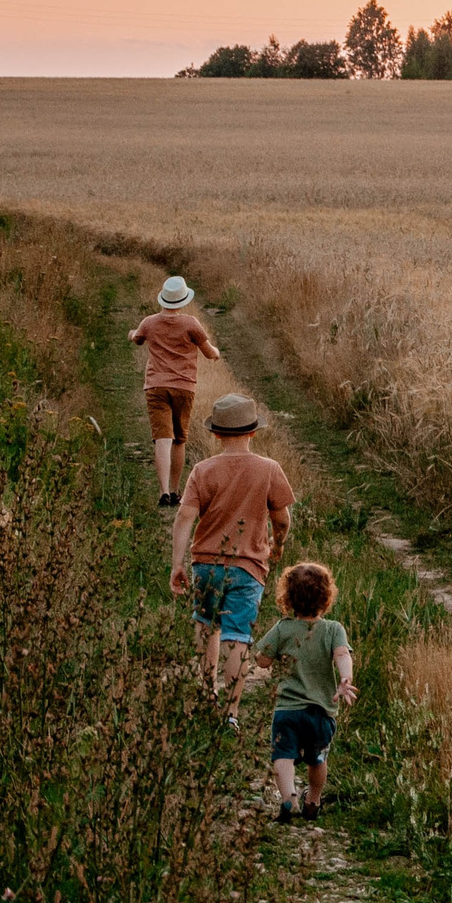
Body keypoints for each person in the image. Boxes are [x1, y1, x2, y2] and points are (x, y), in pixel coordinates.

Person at [168, 393, 293, 726]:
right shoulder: (269, 469)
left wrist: (177, 564)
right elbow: (281, 519)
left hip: (206, 564)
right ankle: (231, 713)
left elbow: (184, 518)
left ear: (217, 434)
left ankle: (208, 693)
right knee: (237, 634)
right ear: (253, 432)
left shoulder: (203, 470)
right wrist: (277, 545)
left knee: (206, 623)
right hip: (248, 567)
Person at [252, 561, 355, 823]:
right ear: (326, 597)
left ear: (287, 598)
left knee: (282, 756)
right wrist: (345, 678)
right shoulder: (333, 629)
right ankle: (313, 801)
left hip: (287, 710)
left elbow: (262, 661)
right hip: (321, 711)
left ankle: (289, 799)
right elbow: (342, 654)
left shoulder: (283, 628)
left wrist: (260, 653)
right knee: (317, 759)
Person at [128, 276, 221, 507]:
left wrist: (131, 333)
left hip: (156, 386)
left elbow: (137, 339)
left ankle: (162, 492)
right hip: (183, 386)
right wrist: (217, 352)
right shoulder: (191, 324)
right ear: (183, 300)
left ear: (163, 299)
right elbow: (210, 353)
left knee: (162, 439)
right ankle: (176, 490)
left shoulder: (149, 322)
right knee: (179, 440)